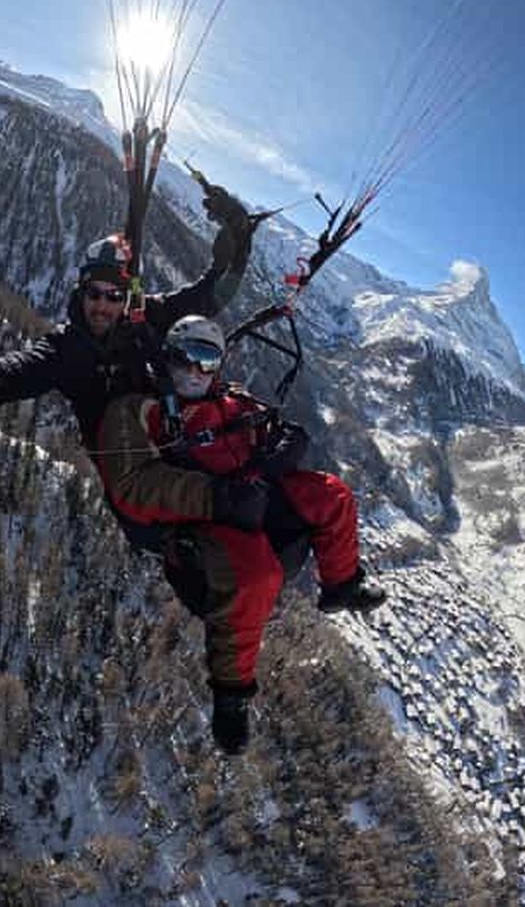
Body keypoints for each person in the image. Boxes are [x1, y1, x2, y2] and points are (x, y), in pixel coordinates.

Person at [97, 315, 386, 756]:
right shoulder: (140, 408)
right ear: (168, 357)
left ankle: (341, 585)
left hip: (249, 496)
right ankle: (231, 694)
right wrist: (216, 496)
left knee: (332, 495)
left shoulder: (231, 402)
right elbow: (133, 485)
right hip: (200, 520)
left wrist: (283, 447)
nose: (196, 372)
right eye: (187, 358)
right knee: (256, 575)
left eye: (208, 360)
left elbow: (260, 433)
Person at [0, 187, 253, 459]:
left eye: (114, 296)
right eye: (94, 293)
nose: (102, 306)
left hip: (174, 437)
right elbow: (12, 373)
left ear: (129, 298)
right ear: (81, 292)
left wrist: (239, 243)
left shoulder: (147, 316)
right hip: (131, 465)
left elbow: (211, 296)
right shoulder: (67, 349)